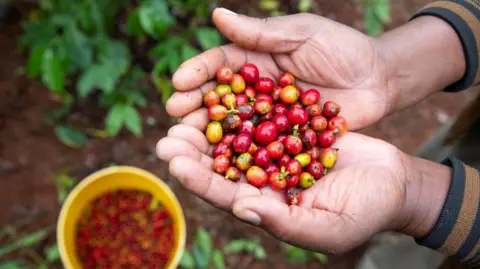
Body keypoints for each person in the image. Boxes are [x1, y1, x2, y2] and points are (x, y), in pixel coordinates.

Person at [156, 0, 480, 267]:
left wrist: (420, 199)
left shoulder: (292, 140)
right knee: (448, 152)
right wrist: (387, 66)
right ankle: (382, 244)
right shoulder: (283, 125)